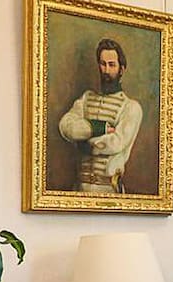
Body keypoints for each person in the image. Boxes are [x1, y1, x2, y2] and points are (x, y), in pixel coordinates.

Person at [58, 38, 143, 194]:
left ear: (122, 69)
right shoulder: (86, 99)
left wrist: (86, 144)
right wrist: (98, 128)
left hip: (108, 191)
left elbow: (116, 142)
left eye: (111, 65)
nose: (106, 70)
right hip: (79, 191)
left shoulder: (131, 107)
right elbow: (66, 127)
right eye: (103, 64)